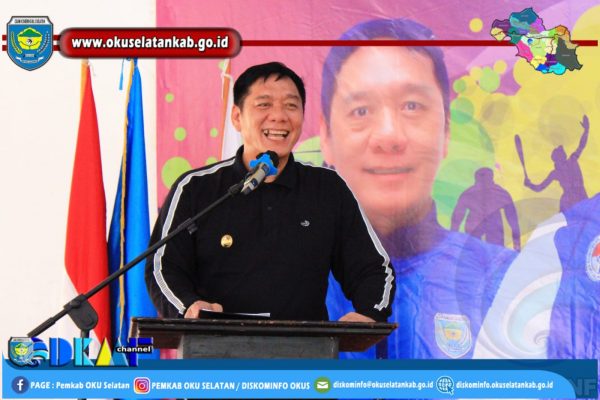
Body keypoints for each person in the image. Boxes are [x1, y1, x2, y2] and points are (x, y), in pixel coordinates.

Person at [320, 18, 516, 359]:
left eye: (411, 106)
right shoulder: (277, 283)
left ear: (446, 131)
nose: (389, 136)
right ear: (326, 138)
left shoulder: (510, 284)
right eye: (361, 110)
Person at [146, 61, 394, 323]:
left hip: (304, 347)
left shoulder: (327, 189)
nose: (279, 116)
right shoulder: (196, 188)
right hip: (214, 344)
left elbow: (373, 269)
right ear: (237, 117)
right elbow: (162, 266)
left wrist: (368, 314)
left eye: (291, 105)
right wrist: (188, 307)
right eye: (264, 104)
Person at [523, 115, 590, 213]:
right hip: (572, 200)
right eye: (561, 152)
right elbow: (539, 188)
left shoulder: (570, 161)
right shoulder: (569, 162)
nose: (564, 153)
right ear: (558, 158)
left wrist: (586, 131)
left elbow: (582, 145)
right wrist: (529, 184)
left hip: (578, 198)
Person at [451, 167, 521, 251]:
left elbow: (457, 216)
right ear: (492, 177)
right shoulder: (501, 193)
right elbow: (512, 218)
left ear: (476, 177)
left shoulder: (469, 193)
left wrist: (452, 238)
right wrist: (516, 242)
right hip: (492, 226)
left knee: (475, 253)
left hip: (477, 225)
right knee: (492, 252)